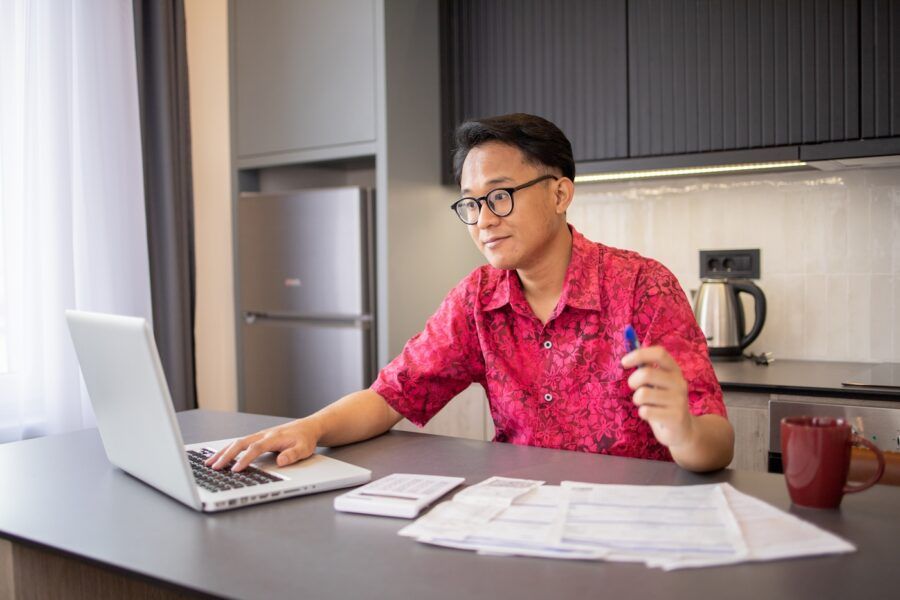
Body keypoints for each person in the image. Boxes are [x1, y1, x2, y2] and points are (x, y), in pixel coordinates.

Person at [208, 113, 734, 474]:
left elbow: (717, 446)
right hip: (519, 516)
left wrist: (682, 430)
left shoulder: (642, 286)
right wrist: (309, 428)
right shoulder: (478, 299)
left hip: (632, 520)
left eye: (499, 196)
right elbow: (390, 396)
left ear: (559, 193)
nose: (482, 220)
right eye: (470, 204)